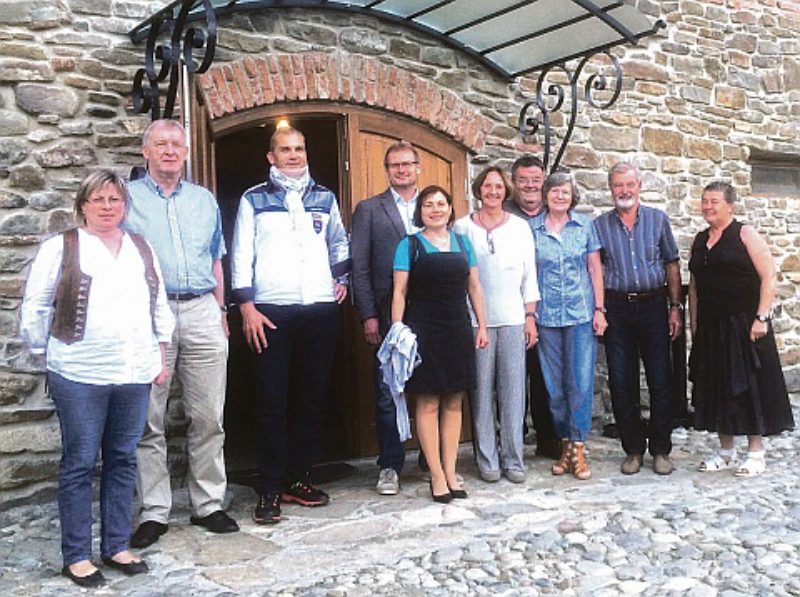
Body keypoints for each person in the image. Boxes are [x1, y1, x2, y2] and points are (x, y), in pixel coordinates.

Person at [20, 170, 174, 587]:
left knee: (123, 457)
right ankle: (76, 555)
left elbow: (157, 303)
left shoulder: (140, 247)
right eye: (98, 199)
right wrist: (44, 352)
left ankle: (116, 545)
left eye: (115, 200)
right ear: (82, 204)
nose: (107, 207)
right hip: (79, 372)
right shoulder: (62, 247)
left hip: (133, 370)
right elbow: (36, 305)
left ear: (125, 205)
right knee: (80, 461)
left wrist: (159, 355)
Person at [125, 119, 238, 548]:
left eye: (177, 144)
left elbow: (216, 259)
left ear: (186, 153)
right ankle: (154, 511)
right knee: (148, 418)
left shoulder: (204, 200)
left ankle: (208, 504)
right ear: (146, 152)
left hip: (202, 309)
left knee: (209, 413)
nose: (170, 150)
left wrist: (221, 308)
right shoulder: (128, 199)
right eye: (161, 144)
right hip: (148, 316)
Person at [231, 127, 350, 525]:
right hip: (271, 311)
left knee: (311, 399)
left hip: (318, 307)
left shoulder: (325, 197)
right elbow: (241, 252)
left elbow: (340, 242)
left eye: (300, 148)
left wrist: (341, 279)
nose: (294, 155)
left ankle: (298, 478)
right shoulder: (254, 199)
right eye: (285, 150)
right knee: (271, 401)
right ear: (271, 157)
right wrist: (245, 304)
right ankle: (268, 486)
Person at [689, 181, 794, 476]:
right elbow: (696, 287)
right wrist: (695, 326)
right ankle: (725, 451)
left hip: (744, 324)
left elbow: (769, 276)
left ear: (730, 206)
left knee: (748, 387)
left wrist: (762, 317)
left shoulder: (745, 234)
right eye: (704, 201)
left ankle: (756, 452)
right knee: (717, 387)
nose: (708, 206)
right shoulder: (699, 240)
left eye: (714, 202)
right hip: (711, 327)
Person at [392, 185, 489, 502]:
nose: (435, 209)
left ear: (450, 209)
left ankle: (450, 471)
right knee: (428, 402)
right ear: (420, 211)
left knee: (453, 401)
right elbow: (400, 292)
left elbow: (474, 287)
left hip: (457, 329)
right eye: (428, 205)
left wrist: (482, 326)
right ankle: (435, 475)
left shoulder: (463, 243)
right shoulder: (409, 246)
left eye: (441, 204)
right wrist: (397, 331)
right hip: (424, 331)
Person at [593, 162, 683, 476]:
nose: (624, 191)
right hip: (617, 308)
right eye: (618, 185)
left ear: (639, 185)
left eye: (629, 184)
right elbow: (596, 270)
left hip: (653, 306)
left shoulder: (657, 220)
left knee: (661, 379)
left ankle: (660, 449)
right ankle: (633, 449)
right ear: (611, 189)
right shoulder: (600, 225)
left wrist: (674, 307)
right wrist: (600, 310)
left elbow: (672, 264)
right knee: (621, 380)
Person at [453, 166, 539, 483]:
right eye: (487, 186)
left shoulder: (519, 228)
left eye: (498, 186)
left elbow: (530, 276)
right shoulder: (462, 228)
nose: (493, 191)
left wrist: (530, 317)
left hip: (514, 318)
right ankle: (487, 459)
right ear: (478, 190)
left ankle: (513, 459)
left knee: (513, 392)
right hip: (477, 322)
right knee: (481, 393)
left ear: (506, 190)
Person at [351, 141, 421, 495]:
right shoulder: (369, 209)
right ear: (387, 169)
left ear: (418, 167)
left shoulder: (435, 205)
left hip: (429, 312)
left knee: (429, 387)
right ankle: (390, 465)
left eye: (407, 164)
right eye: (395, 165)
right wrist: (368, 315)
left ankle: (430, 457)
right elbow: (359, 267)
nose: (402, 170)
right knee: (388, 390)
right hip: (385, 311)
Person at [529, 171, 606, 480]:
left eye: (565, 192)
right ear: (546, 195)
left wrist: (600, 309)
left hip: (580, 315)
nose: (560, 196)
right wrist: (530, 315)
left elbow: (595, 269)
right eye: (555, 191)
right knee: (554, 387)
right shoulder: (531, 229)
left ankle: (578, 447)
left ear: (573, 196)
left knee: (580, 382)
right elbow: (529, 275)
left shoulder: (584, 226)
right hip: (546, 317)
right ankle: (565, 444)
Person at [504, 155, 560, 459]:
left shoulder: (556, 213)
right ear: (513, 182)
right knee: (511, 377)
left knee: (544, 376)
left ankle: (547, 436)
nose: (529, 186)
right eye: (523, 179)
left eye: (535, 180)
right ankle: (512, 436)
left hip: (549, 310)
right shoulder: (502, 213)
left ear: (543, 180)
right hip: (512, 309)